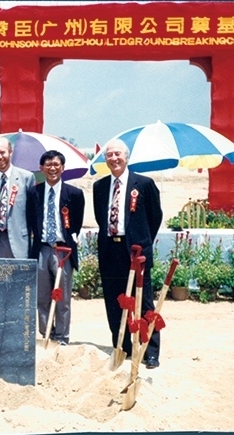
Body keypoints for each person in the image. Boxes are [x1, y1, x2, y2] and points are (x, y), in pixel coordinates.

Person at [92, 138, 163, 368]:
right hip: (110, 250)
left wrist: (142, 240)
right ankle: (122, 345)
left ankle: (150, 350)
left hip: (135, 251)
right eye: (109, 155)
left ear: (126, 156)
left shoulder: (143, 184)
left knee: (144, 302)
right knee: (115, 302)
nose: (114, 158)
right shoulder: (100, 187)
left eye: (118, 154)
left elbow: (155, 217)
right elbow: (100, 218)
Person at [26, 150, 85, 345]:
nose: (52, 168)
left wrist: (71, 240)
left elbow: (76, 223)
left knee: (62, 297)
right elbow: (30, 220)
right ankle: (46, 334)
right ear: (41, 168)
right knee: (42, 296)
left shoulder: (74, 194)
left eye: (56, 165)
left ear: (63, 168)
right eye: (48, 165)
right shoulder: (33, 193)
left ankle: (61, 336)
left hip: (63, 251)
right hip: (41, 249)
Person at [0, 137, 35, 258]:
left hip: (19, 241)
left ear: (10, 151)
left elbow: (31, 210)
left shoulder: (26, 178)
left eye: (2, 152)